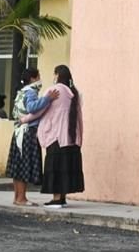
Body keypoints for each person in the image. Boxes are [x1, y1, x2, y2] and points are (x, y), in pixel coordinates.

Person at [5, 69, 57, 206]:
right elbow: (32, 107)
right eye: (39, 76)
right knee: (24, 166)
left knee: (17, 166)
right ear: (33, 79)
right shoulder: (31, 92)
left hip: (18, 132)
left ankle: (17, 197)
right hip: (28, 133)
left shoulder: (21, 92)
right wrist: (47, 99)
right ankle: (22, 198)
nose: (40, 79)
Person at [38, 65, 84, 208]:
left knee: (55, 167)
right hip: (71, 137)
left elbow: (40, 109)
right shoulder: (75, 93)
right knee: (66, 168)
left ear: (57, 75)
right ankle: (62, 197)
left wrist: (25, 119)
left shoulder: (54, 90)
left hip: (56, 136)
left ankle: (57, 198)